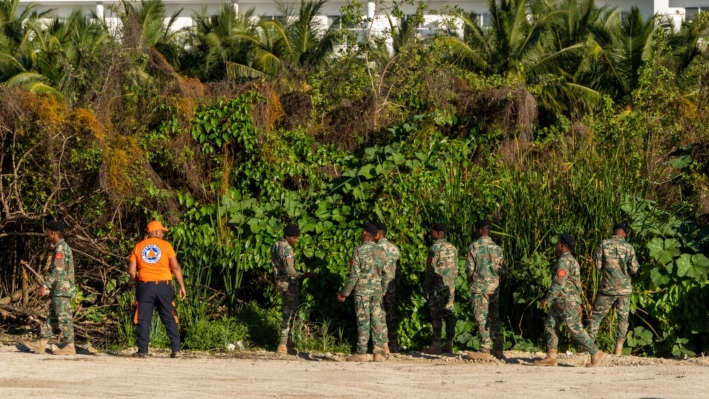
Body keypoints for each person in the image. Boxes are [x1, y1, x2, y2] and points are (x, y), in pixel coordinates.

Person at [535, 233, 605, 367]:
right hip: (561, 301)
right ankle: (551, 356)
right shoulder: (571, 260)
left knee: (575, 329)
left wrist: (547, 298)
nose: (556, 246)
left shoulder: (564, 261)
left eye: (558, 243)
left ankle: (595, 352)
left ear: (563, 245)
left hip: (566, 301)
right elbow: (577, 284)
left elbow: (559, 283)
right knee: (550, 325)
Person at [128, 220, 187, 358]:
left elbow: (131, 271)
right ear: (155, 232)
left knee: (143, 318)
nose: (163, 234)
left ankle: (143, 351)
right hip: (163, 286)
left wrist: (140, 282)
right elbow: (176, 267)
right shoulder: (166, 246)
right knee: (169, 316)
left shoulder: (138, 246)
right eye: (161, 231)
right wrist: (182, 286)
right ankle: (176, 349)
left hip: (145, 286)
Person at [337, 223, 387, 362]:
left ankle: (361, 353)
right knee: (377, 320)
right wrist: (382, 290)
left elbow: (354, 275)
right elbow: (386, 274)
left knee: (363, 321)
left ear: (365, 233)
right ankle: (378, 353)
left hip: (362, 291)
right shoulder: (381, 251)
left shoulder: (358, 250)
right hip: (377, 290)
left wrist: (344, 293)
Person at [587, 223, 640, 355]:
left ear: (613, 232)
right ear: (624, 234)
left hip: (607, 288)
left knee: (596, 317)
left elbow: (598, 265)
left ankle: (589, 347)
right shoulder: (629, 247)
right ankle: (619, 349)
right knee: (623, 318)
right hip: (624, 289)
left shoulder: (603, 244)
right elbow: (634, 269)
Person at [24, 221, 77, 355]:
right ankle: (42, 344)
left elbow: (58, 270)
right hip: (58, 290)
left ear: (53, 233)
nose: (47, 234)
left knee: (63, 318)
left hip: (62, 290)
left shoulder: (60, 249)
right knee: (51, 317)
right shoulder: (61, 247)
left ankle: (70, 345)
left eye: (48, 231)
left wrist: (45, 285)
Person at [464, 219, 504, 361]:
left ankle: (484, 348)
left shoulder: (474, 246)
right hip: (494, 287)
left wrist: (471, 280)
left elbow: (469, 269)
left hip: (480, 288)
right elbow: (502, 270)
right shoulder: (498, 248)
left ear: (480, 230)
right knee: (494, 316)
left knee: (481, 317)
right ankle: (498, 348)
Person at [271, 224, 314, 355]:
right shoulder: (288, 249)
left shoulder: (276, 245)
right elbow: (290, 270)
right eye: (294, 237)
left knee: (287, 311)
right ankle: (283, 345)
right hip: (289, 284)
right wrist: (304, 275)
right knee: (288, 314)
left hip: (279, 282)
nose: (296, 240)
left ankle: (287, 343)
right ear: (287, 236)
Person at [422, 223, 458, 355]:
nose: (431, 233)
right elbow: (455, 269)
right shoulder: (452, 248)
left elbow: (430, 270)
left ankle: (436, 344)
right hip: (450, 287)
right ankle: (449, 343)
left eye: (432, 231)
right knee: (448, 313)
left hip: (437, 286)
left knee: (436, 315)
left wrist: (426, 287)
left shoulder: (434, 248)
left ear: (438, 233)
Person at [374, 222, 401, 354]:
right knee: (391, 315)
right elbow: (398, 270)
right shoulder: (394, 248)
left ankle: (383, 345)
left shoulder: (376, 249)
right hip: (392, 286)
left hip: (379, 286)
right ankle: (394, 345)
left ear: (378, 234)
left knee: (379, 315)